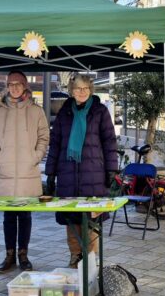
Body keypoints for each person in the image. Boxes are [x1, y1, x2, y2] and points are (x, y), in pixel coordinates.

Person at [45, 74, 119, 268]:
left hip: (93, 173)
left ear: (90, 90)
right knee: (71, 218)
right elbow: (55, 144)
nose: (81, 92)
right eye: (78, 89)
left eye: (85, 88)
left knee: (92, 218)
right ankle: (75, 255)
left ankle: (91, 259)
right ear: (71, 91)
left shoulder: (100, 111)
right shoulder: (64, 113)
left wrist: (112, 168)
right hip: (67, 173)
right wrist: (50, 173)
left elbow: (109, 142)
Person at [0, 70, 49, 273]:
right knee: (8, 216)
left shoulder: (36, 111)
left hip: (27, 171)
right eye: (10, 84)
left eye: (18, 83)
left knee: (24, 216)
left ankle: (23, 254)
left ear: (25, 86)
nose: (14, 87)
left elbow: (43, 137)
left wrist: (36, 156)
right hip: (5, 172)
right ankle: (9, 255)